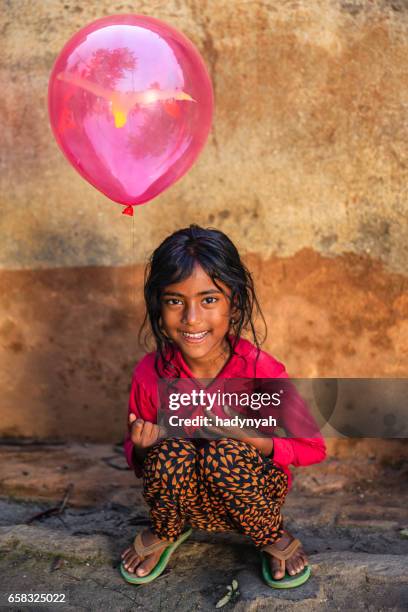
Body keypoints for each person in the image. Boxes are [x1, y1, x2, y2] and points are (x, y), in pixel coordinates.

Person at [120, 225, 326, 589]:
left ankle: (268, 534)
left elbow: (313, 448)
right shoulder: (149, 373)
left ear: (236, 303)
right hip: (184, 502)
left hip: (252, 495)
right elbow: (139, 461)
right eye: (174, 301)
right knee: (168, 454)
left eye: (209, 300)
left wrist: (254, 440)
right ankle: (168, 530)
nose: (192, 318)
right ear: (159, 306)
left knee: (223, 453)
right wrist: (141, 445)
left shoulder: (261, 370)